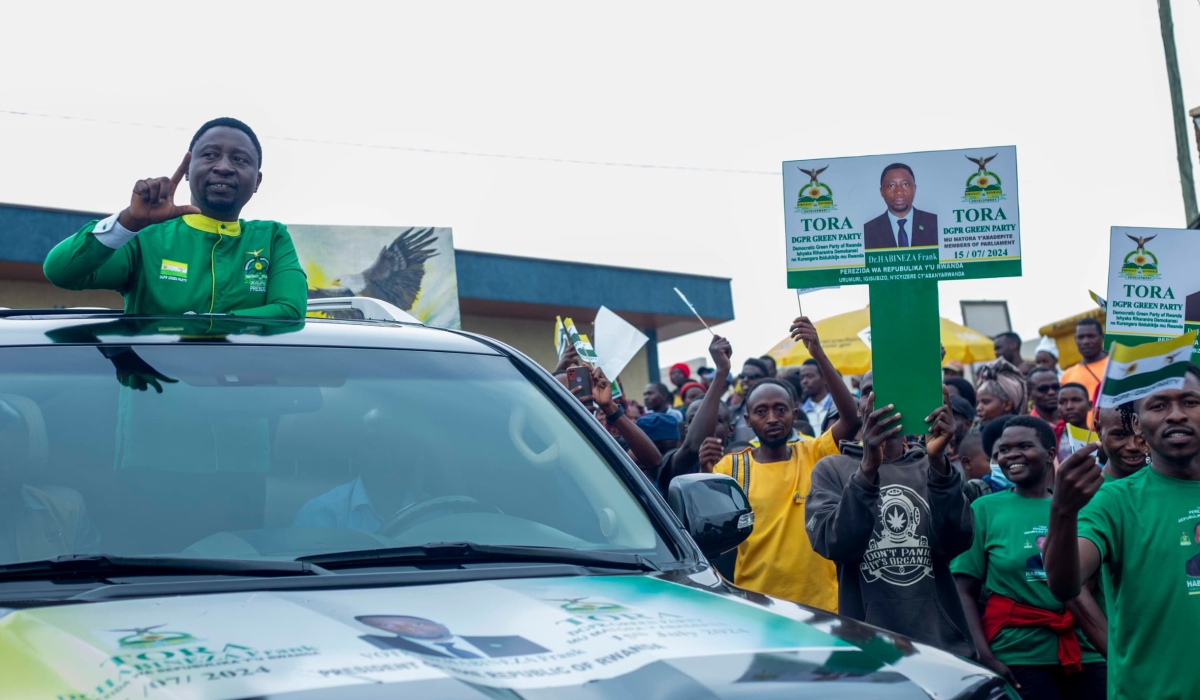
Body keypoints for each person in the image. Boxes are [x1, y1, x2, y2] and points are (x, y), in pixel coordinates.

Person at [43, 117, 307, 319]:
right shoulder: (144, 236)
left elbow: (289, 311)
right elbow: (60, 272)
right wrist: (130, 221)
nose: (224, 167)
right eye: (210, 155)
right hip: (157, 389)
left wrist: (201, 327)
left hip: (247, 390)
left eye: (239, 159)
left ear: (257, 180)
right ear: (189, 171)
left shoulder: (271, 237)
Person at [1044, 363, 1200, 700]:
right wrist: (1062, 511)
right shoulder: (1113, 500)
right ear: (1137, 425)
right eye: (1158, 406)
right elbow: (1064, 584)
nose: (1176, 415)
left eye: (1190, 402)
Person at [806, 377, 974, 656]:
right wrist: (868, 469)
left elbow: (956, 542)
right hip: (869, 648)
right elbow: (836, 544)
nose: (879, 400)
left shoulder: (930, 465)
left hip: (941, 644)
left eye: (893, 389)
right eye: (868, 393)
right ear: (859, 407)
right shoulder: (831, 469)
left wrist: (938, 464)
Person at [708, 317, 859, 611]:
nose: (772, 419)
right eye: (761, 412)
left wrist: (818, 353)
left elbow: (851, 420)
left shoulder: (813, 453)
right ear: (748, 421)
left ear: (794, 411)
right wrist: (721, 373)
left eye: (780, 410)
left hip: (821, 607)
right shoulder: (731, 468)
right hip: (757, 607)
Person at [952, 417, 1107, 697]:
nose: (1011, 455)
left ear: (1050, 455)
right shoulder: (984, 509)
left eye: (1024, 445)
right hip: (1017, 656)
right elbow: (964, 591)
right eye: (1003, 449)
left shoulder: (1087, 504)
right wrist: (984, 655)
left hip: (1089, 651)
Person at [658, 336, 733, 494]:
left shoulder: (743, 460)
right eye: (694, 420)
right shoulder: (675, 460)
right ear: (686, 430)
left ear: (730, 429)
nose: (708, 425)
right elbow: (694, 445)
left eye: (717, 420)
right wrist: (721, 372)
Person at [355, 615, 549, 657]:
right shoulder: (373, 649)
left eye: (417, 623)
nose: (408, 627)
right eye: (386, 625)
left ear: (441, 624)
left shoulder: (512, 639)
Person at [863, 163, 938, 250]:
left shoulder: (934, 223)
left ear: (915, 188)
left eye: (905, 184)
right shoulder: (868, 230)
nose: (899, 191)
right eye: (891, 185)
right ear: (881, 191)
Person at [1060, 319, 1107, 427]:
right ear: (1075, 340)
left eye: (1091, 336)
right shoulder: (1067, 375)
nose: (1085, 341)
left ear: (1102, 337)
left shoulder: (1116, 365)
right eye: (1081, 337)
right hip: (1082, 437)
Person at [1094, 404, 1147, 481]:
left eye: (1142, 432)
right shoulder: (1088, 489)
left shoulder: (1168, 480)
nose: (1133, 446)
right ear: (1099, 431)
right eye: (1119, 434)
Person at [729, 358, 771, 442]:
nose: (745, 379)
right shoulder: (732, 412)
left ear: (765, 379)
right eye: (742, 376)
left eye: (752, 376)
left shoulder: (777, 411)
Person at [977, 359, 1027, 428]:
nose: (978, 408)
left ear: (1007, 405)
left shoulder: (1026, 435)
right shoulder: (975, 434)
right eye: (978, 402)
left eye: (985, 402)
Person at [1056, 383, 1092, 462]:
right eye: (1062, 402)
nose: (1069, 406)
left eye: (1076, 400)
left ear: (1090, 405)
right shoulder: (1053, 438)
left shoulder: (1100, 439)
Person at [799, 358, 834, 435]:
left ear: (824, 379)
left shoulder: (836, 407)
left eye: (810, 376)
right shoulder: (801, 411)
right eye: (802, 378)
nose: (804, 381)